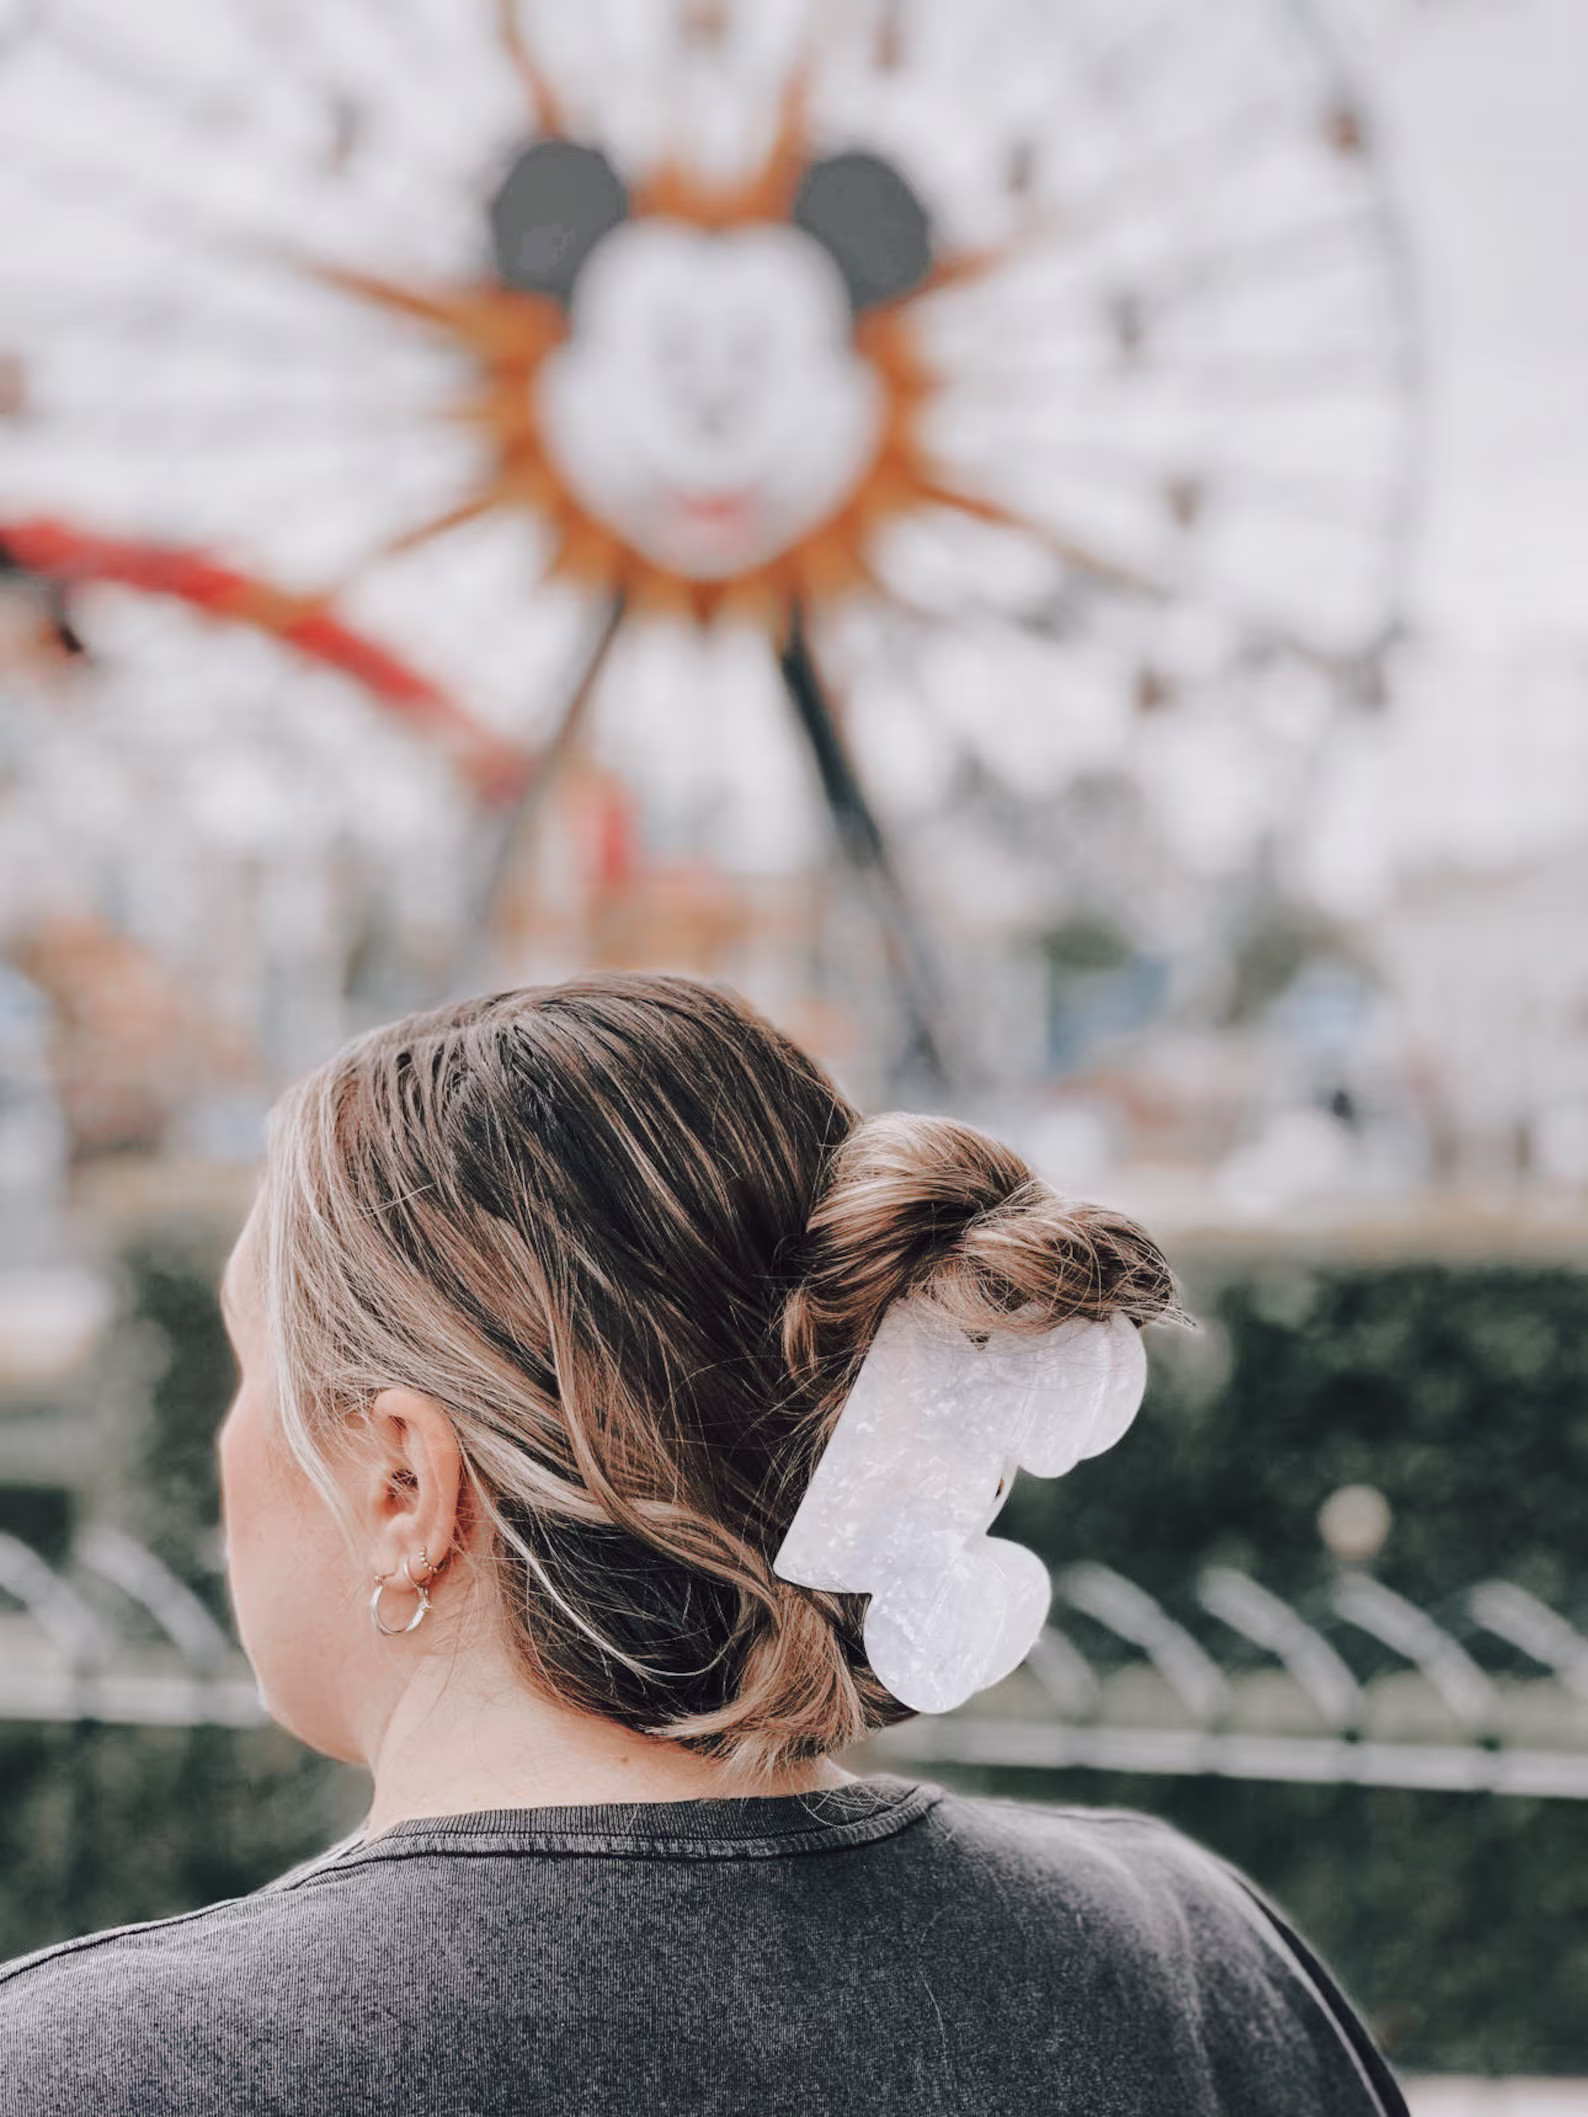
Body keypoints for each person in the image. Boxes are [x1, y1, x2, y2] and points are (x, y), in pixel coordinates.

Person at [0, 973, 1408, 2114]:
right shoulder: (1190, 1967)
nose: (225, 1446)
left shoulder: (95, 2073)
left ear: (405, 1481)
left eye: (249, 1371)